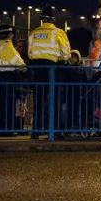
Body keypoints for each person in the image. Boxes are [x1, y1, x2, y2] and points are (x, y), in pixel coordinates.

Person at [26, 10, 71, 139]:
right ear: (53, 19)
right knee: (55, 101)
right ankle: (55, 132)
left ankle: (36, 131)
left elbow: (30, 53)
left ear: (42, 19)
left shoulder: (34, 33)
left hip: (37, 69)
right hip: (52, 69)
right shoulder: (58, 32)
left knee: (38, 101)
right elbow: (66, 53)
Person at [0, 25, 26, 136]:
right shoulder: (7, 46)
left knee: (2, 103)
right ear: (10, 35)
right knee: (9, 104)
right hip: (9, 76)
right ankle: (8, 129)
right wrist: (25, 69)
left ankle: (1, 129)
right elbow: (19, 63)